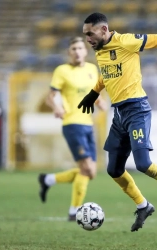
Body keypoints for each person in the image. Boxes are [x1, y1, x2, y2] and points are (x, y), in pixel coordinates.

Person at [78, 13, 157, 232]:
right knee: (114, 170)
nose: (87, 39)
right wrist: (93, 92)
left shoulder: (127, 42)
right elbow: (107, 74)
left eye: (90, 33)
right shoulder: (100, 51)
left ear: (103, 30)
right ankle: (143, 206)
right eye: (85, 34)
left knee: (143, 164)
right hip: (119, 113)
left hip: (137, 109)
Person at [38, 37, 106, 221]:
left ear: (85, 51)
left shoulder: (92, 70)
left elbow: (92, 93)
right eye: (73, 48)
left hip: (88, 124)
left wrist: (100, 102)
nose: (77, 51)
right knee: (87, 170)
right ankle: (73, 212)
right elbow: (49, 98)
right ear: (69, 52)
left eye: (80, 48)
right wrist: (57, 107)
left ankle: (48, 180)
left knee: (89, 172)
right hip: (72, 123)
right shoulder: (62, 71)